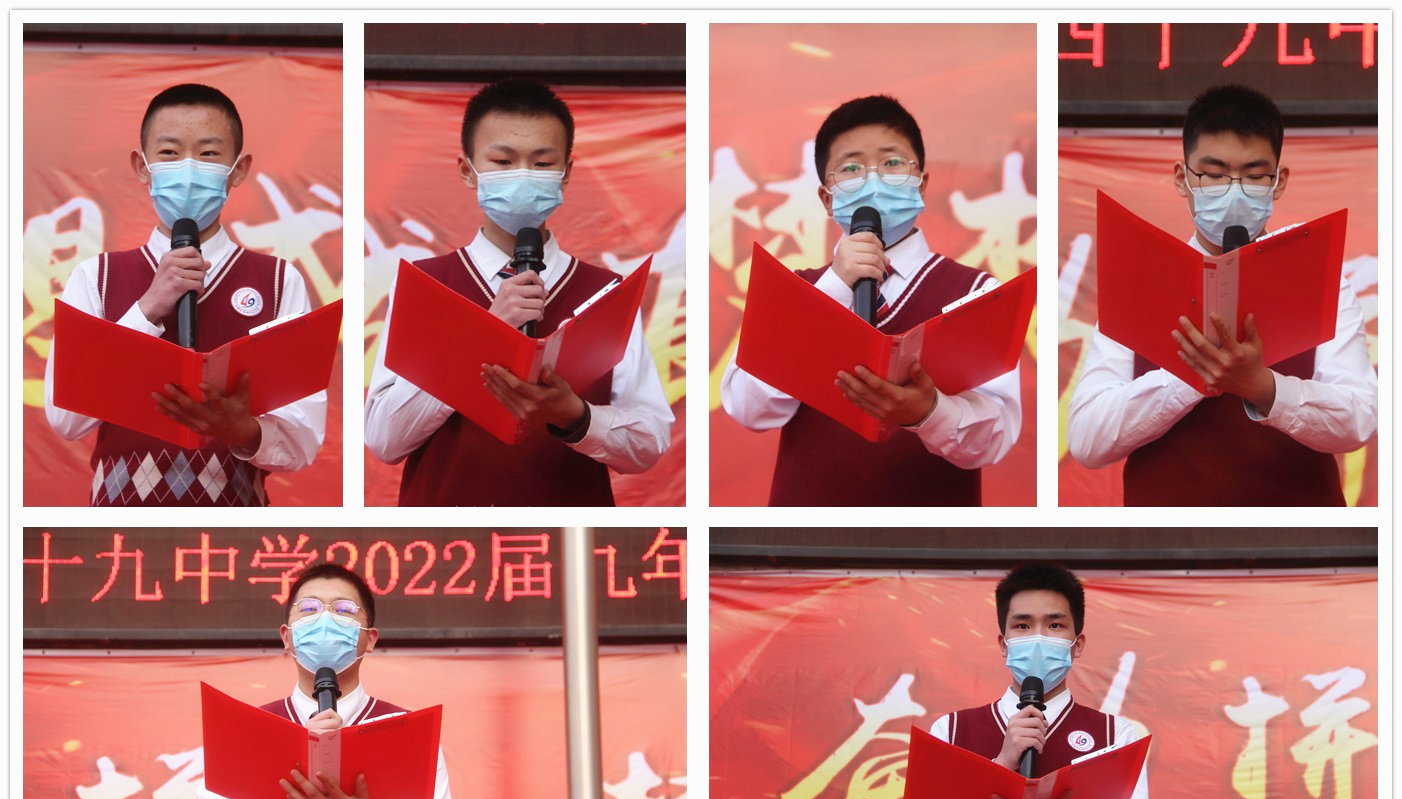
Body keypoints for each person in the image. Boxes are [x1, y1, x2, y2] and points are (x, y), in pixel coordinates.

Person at [364, 78, 672, 506]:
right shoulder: (424, 283)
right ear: (467, 170)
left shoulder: (605, 293)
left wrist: (575, 415)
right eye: (503, 161)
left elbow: (649, 442)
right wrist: (485, 333)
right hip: (444, 531)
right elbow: (384, 439)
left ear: (566, 174)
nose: (523, 176)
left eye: (542, 163)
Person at [1067, 84, 1377, 506]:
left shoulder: (1318, 276)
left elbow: (1359, 419)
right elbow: (1087, 439)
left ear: (1279, 182)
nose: (1234, 191)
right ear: (1183, 179)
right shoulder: (1140, 282)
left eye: (1254, 176)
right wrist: (1192, 377)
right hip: (1165, 532)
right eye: (1213, 175)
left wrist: (1262, 387)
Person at [720, 94, 1021, 506]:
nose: (873, 180)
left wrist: (928, 413)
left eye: (892, 163)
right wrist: (834, 288)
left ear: (921, 184)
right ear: (827, 199)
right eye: (851, 168)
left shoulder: (977, 293)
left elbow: (995, 437)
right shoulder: (793, 290)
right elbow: (747, 408)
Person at [42, 83, 326, 506]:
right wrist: (146, 310)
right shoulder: (96, 277)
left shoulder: (279, 281)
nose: (188, 169)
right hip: (119, 522)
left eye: (208, 154)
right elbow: (65, 418)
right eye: (170, 153)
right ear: (142, 167)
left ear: (239, 169)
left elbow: (303, 440)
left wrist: (242, 431)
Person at [189, 563, 453, 799]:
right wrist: (290, 770)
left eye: (343, 610)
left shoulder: (408, 735)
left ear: (370, 639)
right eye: (309, 610)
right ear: (286, 637)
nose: (325, 620)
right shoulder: (243, 732)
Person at [906, 563, 1150, 799]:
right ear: (1003, 643)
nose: (1038, 638)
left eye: (1054, 625)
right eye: (1022, 626)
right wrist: (1000, 766)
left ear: (1077, 644)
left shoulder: (1116, 736)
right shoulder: (950, 731)